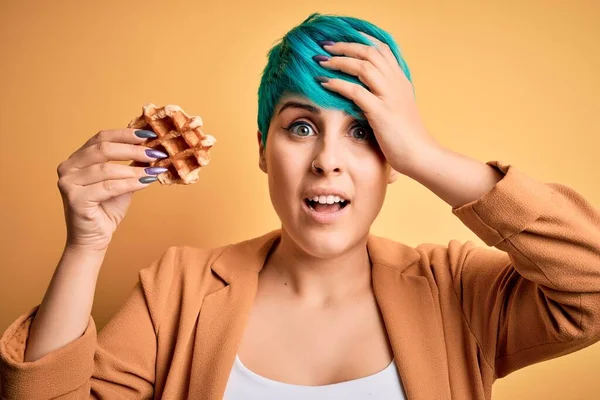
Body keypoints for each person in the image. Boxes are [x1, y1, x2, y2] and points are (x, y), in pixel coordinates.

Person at [1, 12, 600, 400]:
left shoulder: (460, 290)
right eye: (301, 128)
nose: (328, 161)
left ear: (393, 162)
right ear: (263, 149)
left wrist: (424, 152)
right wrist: (87, 245)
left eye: (364, 133)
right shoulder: (176, 291)